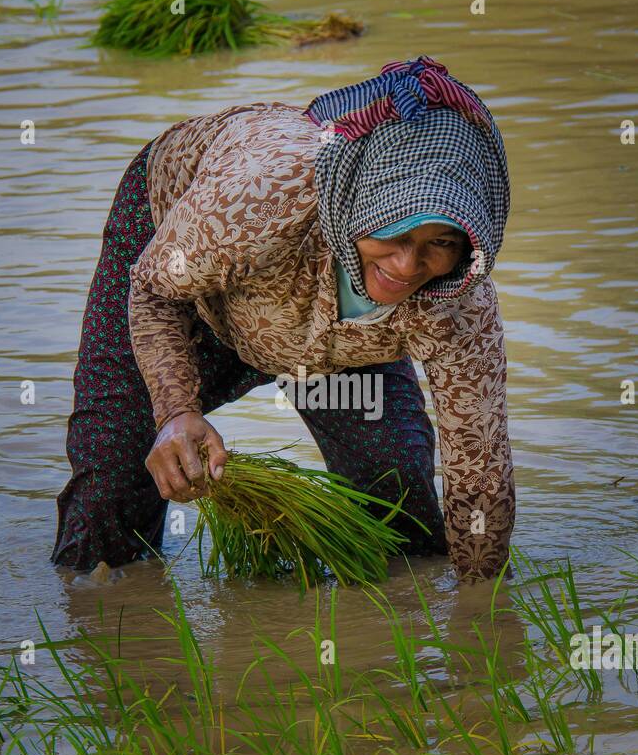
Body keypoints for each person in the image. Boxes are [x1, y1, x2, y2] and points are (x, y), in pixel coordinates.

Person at [51, 55, 514, 582]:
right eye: (395, 234)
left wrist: (481, 606)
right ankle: (100, 614)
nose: (408, 266)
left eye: (441, 243)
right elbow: (155, 288)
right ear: (357, 207)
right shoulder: (258, 200)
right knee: (114, 478)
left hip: (332, 346)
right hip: (186, 280)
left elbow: (480, 471)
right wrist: (176, 410)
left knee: (395, 486)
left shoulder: (457, 302)